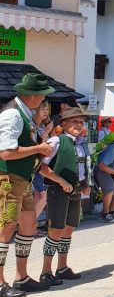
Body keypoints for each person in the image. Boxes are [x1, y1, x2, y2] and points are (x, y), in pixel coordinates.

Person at [0, 74, 56, 297]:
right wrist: (39, 149)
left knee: (29, 225)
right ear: (34, 95)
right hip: (8, 180)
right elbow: (6, 152)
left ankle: (21, 277)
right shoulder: (13, 114)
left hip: (22, 180)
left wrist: (40, 144)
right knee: (5, 228)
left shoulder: (25, 113)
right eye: (43, 95)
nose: (44, 100)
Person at [37, 107, 92, 286]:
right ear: (64, 123)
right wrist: (61, 181)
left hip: (75, 190)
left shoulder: (80, 143)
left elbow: (81, 167)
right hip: (58, 191)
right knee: (56, 230)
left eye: (81, 122)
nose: (79, 124)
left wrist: (85, 184)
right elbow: (41, 167)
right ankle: (45, 271)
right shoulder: (56, 141)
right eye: (75, 121)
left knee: (68, 229)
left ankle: (62, 267)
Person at [31, 101, 54, 237]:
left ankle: (31, 227)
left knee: (38, 196)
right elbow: (36, 147)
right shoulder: (32, 126)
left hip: (40, 165)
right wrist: (45, 134)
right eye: (43, 109)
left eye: (47, 109)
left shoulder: (42, 126)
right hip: (32, 166)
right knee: (42, 195)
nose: (46, 112)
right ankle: (29, 226)